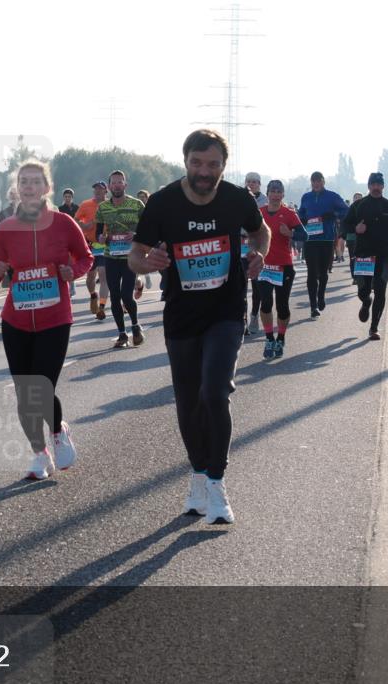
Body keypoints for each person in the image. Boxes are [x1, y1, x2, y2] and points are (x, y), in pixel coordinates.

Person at [129, 129, 270, 525]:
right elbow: (134, 257)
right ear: (185, 161)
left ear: (224, 166)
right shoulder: (162, 203)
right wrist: (149, 262)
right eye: (197, 163)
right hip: (180, 314)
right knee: (188, 401)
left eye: (213, 165)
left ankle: (217, 483)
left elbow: (260, 230)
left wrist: (259, 252)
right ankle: (197, 475)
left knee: (215, 391)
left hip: (225, 311)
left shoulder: (237, 199)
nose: (204, 172)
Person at [0, 160, 92, 479]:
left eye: (35, 181)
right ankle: (39, 454)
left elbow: (85, 257)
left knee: (42, 387)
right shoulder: (6, 227)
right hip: (15, 320)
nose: (29, 187)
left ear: (47, 188)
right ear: (17, 189)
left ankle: (58, 431)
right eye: (23, 182)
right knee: (24, 392)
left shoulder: (63, 223)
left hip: (55, 318)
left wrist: (75, 271)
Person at [342, 173, 388, 341]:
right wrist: (356, 228)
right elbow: (345, 224)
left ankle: (374, 328)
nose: (376, 187)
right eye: (373, 184)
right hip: (363, 254)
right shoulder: (358, 205)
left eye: (379, 184)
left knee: (381, 289)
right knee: (363, 290)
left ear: (383, 186)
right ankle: (365, 302)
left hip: (384, 254)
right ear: (369, 186)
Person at [95, 170, 146, 348]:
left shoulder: (137, 204)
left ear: (125, 185)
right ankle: (122, 334)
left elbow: (149, 227)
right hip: (111, 256)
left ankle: (135, 325)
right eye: (113, 183)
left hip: (130, 257)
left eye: (120, 182)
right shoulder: (103, 208)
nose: (116, 185)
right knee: (115, 296)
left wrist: (137, 234)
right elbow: (98, 233)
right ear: (109, 187)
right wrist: (101, 238)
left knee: (126, 295)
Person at [256, 180, 302, 359]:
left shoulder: (289, 214)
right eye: (272, 191)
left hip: (284, 267)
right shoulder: (259, 213)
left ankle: (281, 338)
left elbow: (304, 235)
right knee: (266, 303)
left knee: (282, 306)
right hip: (264, 266)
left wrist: (290, 233)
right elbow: (247, 232)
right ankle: (269, 339)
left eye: (279, 191)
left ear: (283, 194)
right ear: (267, 194)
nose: (275, 194)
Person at [298, 172, 347, 318]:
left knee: (324, 273)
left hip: (326, 239)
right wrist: (302, 219)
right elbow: (301, 214)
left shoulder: (332, 196)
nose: (316, 184)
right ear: (311, 183)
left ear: (323, 181)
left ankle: (321, 295)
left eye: (318, 181)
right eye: (313, 181)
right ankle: (313, 306)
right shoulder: (306, 197)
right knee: (312, 273)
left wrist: (334, 215)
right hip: (310, 240)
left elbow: (345, 210)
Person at [75, 181, 109, 317]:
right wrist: (84, 226)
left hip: (105, 244)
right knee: (90, 278)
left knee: (103, 274)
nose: (97, 191)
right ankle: (93, 295)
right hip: (89, 244)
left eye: (100, 189)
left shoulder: (109, 205)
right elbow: (75, 220)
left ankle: (101, 306)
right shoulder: (86, 204)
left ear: (106, 191)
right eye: (95, 189)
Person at [242, 172, 268, 334]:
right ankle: (242, 320)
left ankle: (254, 315)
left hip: (259, 249)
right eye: (249, 181)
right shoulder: (239, 198)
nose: (251, 184)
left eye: (254, 182)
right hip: (242, 247)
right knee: (240, 287)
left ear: (259, 184)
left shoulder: (266, 201)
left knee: (257, 287)